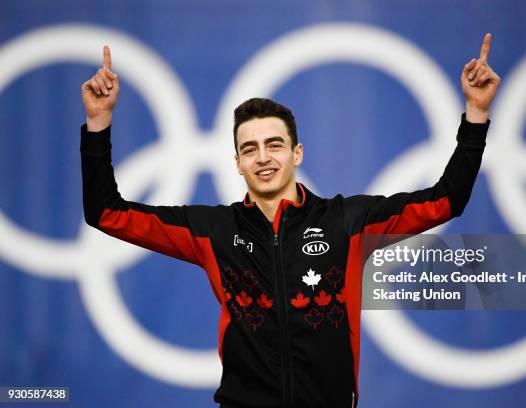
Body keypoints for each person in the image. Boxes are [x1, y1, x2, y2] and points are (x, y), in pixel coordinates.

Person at [80, 34, 500, 408]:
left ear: (296, 153)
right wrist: (99, 122)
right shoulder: (212, 230)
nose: (263, 157)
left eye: (274, 145)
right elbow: (107, 213)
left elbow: (445, 201)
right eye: (250, 149)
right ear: (238, 164)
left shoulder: (348, 221)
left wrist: (476, 115)